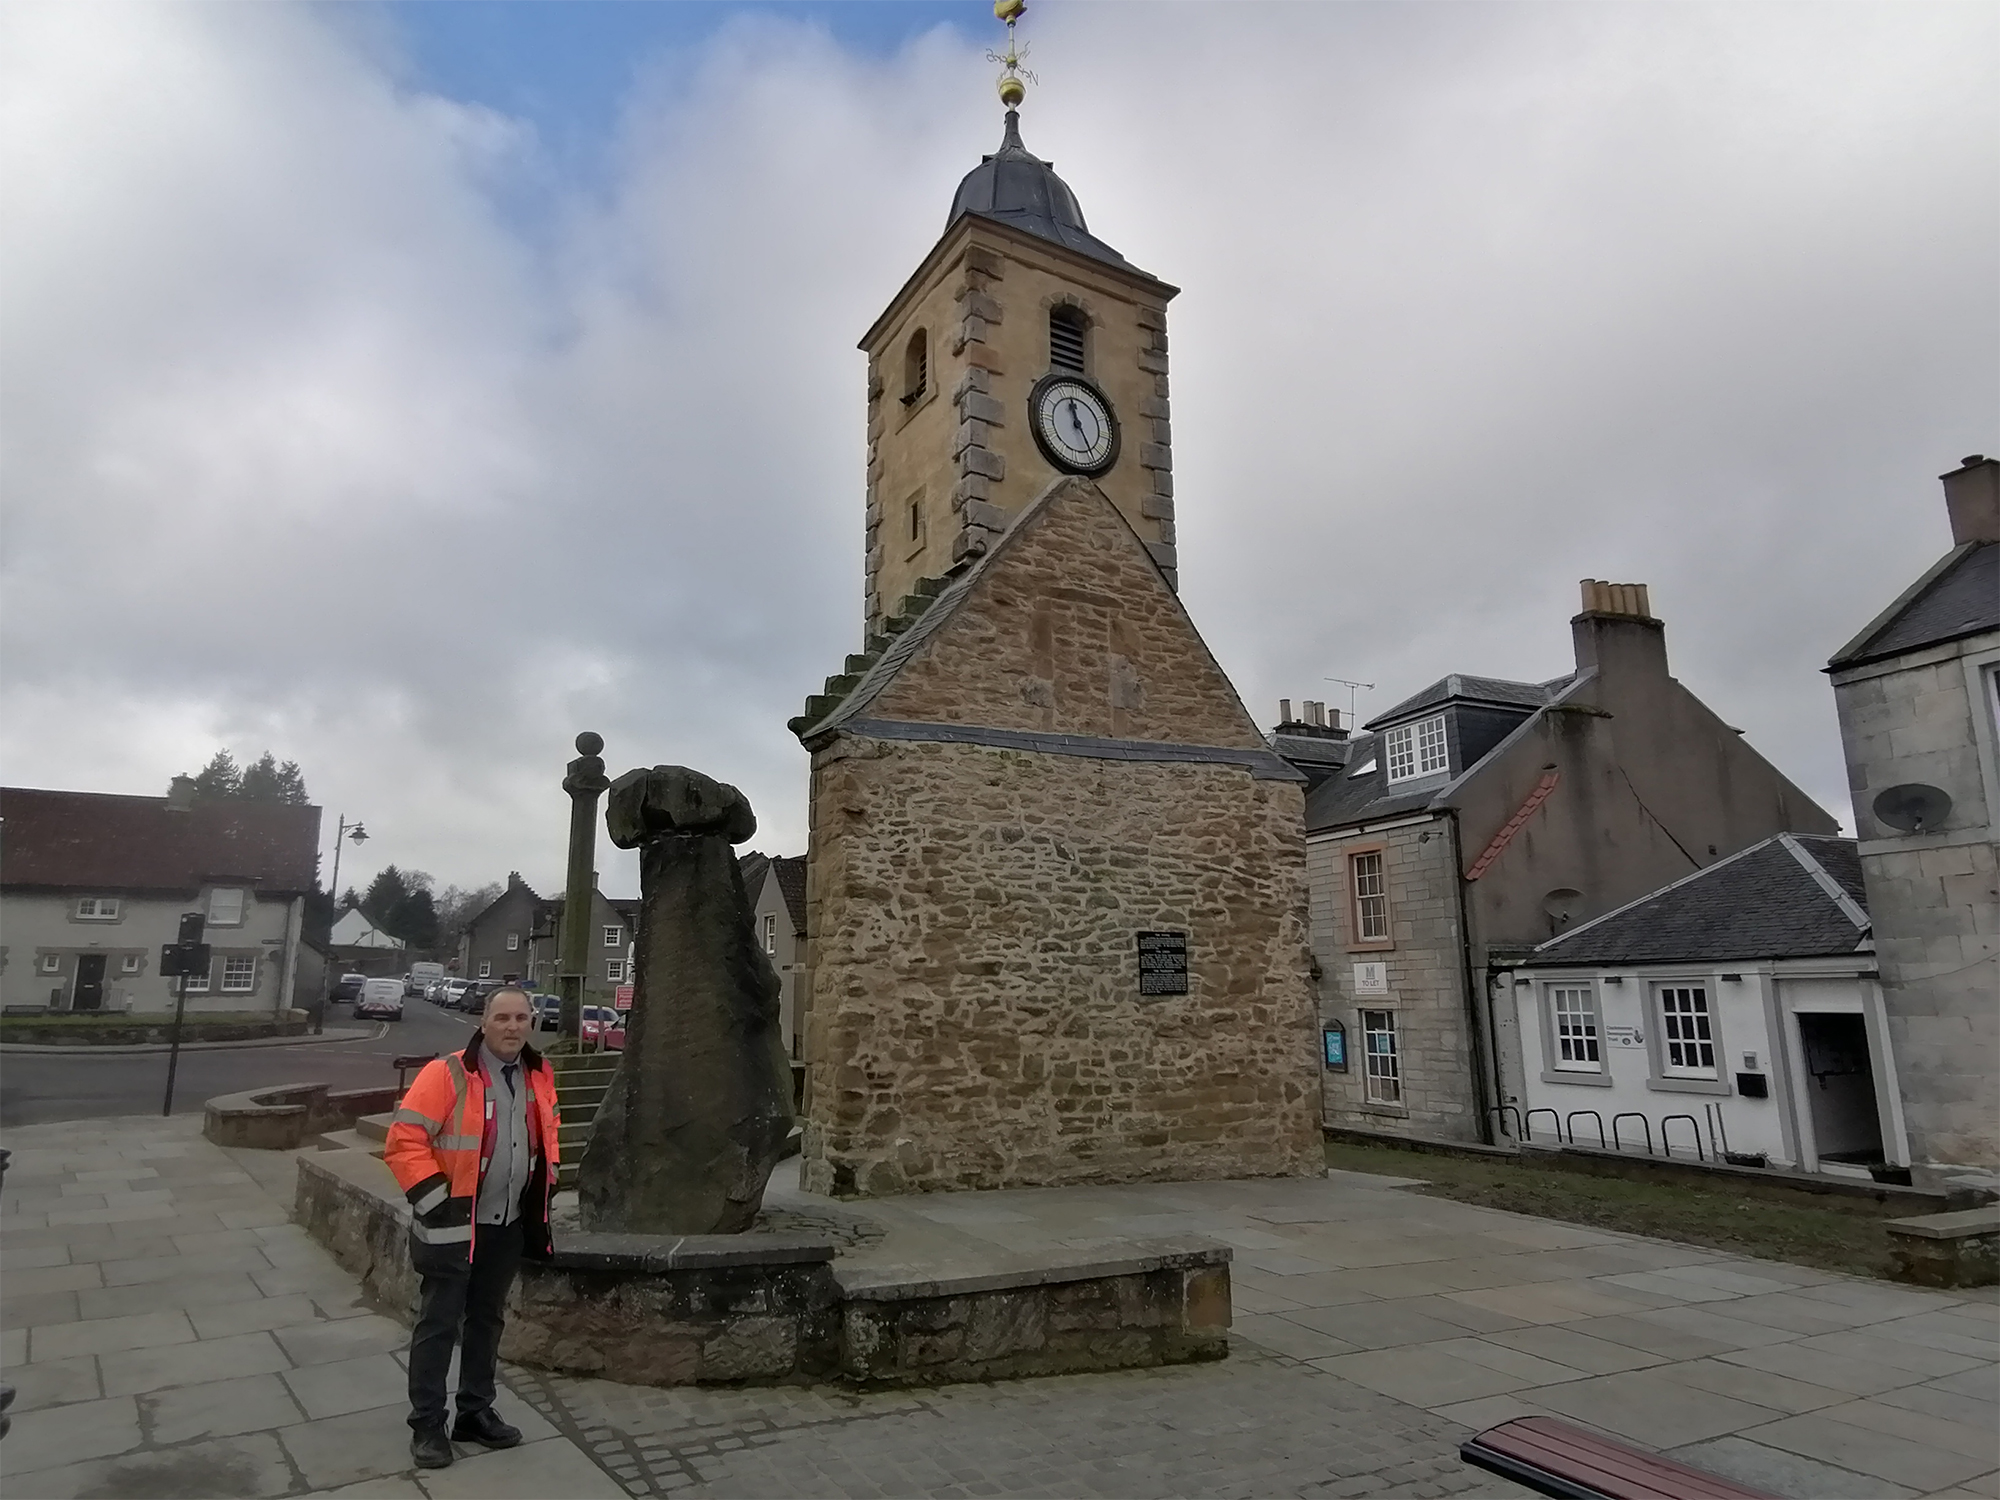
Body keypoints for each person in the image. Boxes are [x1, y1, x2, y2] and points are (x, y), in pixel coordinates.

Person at [384, 986, 560, 1469]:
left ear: (532, 1023)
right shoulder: (447, 1074)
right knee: (438, 1324)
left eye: (521, 1017)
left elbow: (547, 1137)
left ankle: (474, 1412)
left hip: (507, 1224)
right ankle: (427, 1424)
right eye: (502, 1017)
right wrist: (438, 1204)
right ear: (483, 1023)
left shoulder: (539, 1075)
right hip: (454, 1225)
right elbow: (404, 1141)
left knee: (487, 1321)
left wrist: (547, 1186)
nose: (512, 1027)